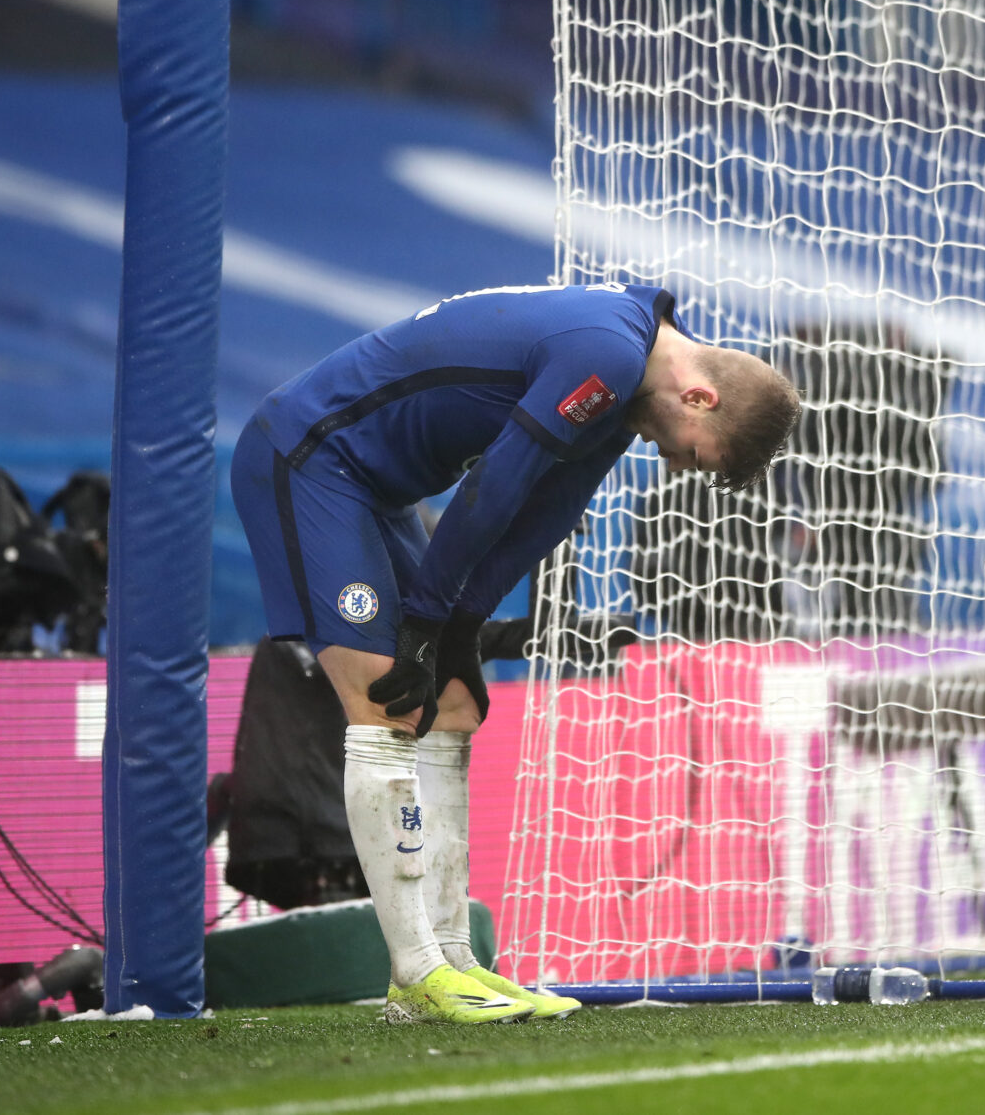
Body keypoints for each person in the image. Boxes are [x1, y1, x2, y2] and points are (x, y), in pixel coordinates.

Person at [230, 282, 799, 1024]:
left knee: (452, 706)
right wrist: (429, 619)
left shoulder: (625, 387)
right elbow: (495, 486)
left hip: (376, 491)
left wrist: (461, 626)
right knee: (383, 705)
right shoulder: (605, 352)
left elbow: (547, 512)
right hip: (311, 459)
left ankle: (458, 961)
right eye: (692, 453)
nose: (674, 462)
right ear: (699, 397)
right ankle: (416, 972)